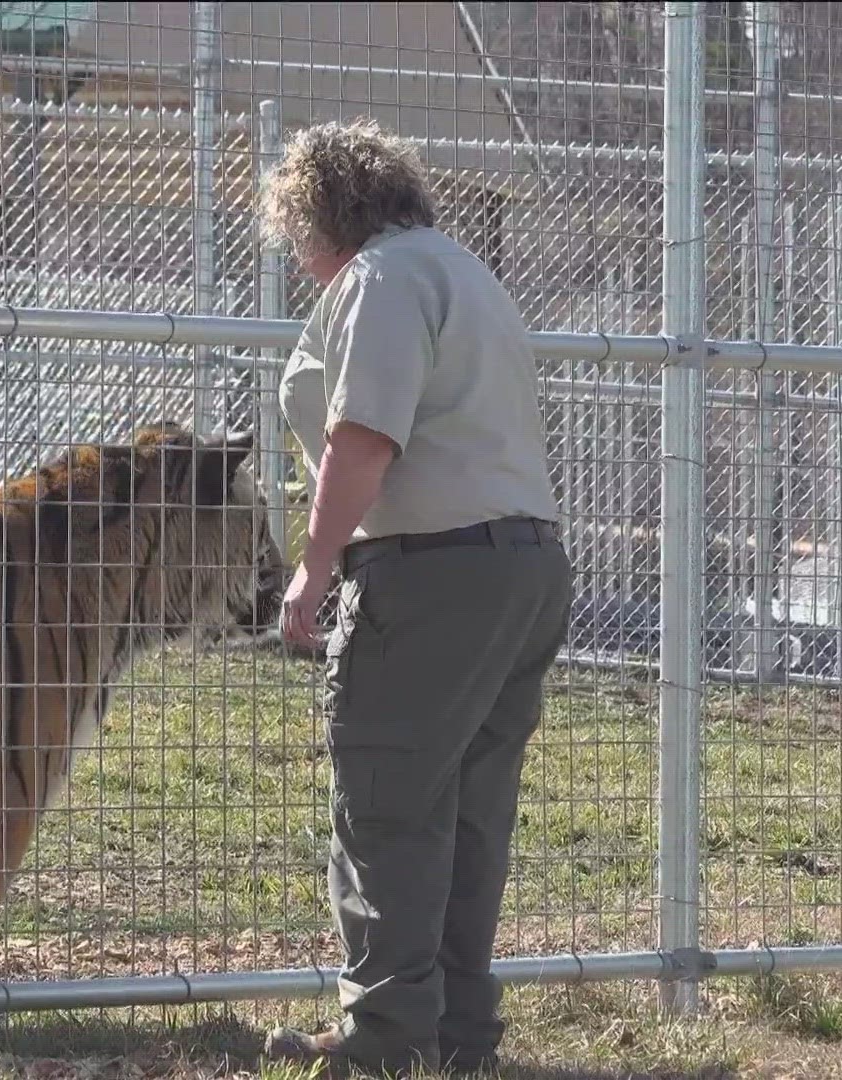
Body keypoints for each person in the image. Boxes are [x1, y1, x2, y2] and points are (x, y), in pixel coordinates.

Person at [259, 116, 576, 1078]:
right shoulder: (464, 272)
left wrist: (313, 565)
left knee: (388, 805)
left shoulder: (382, 279)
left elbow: (364, 437)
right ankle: (457, 1040)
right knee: (467, 816)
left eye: (296, 238)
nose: (300, 260)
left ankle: (386, 1043)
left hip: (433, 573)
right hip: (524, 565)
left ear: (319, 220)